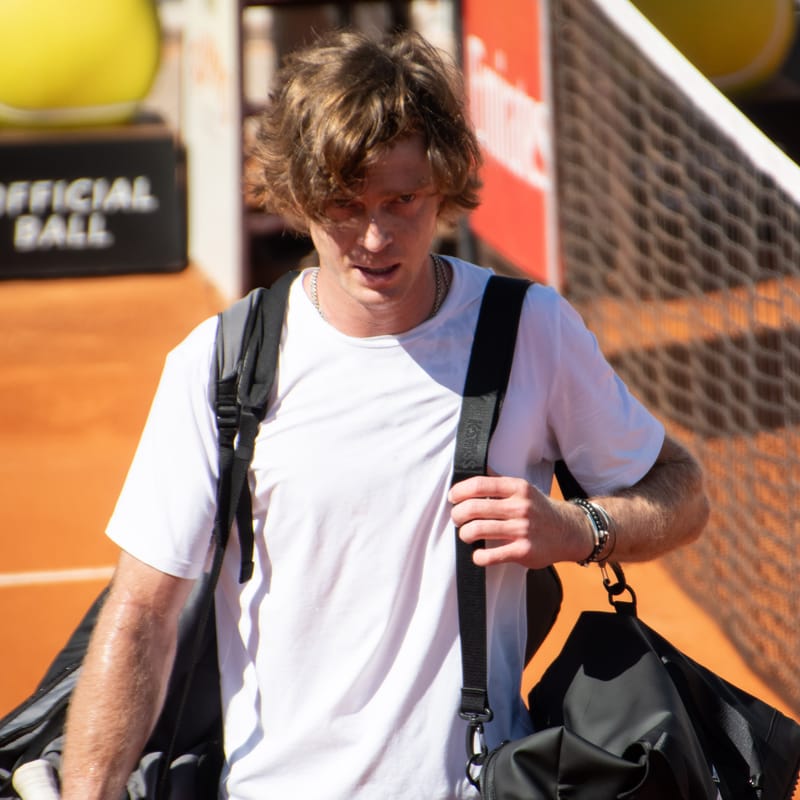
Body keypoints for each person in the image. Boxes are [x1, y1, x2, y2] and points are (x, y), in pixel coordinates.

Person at [60, 28, 710, 800]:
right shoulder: (219, 362)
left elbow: (682, 491)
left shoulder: (531, 332)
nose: (374, 238)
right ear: (298, 199)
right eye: (343, 205)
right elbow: (139, 614)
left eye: (402, 200)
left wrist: (580, 531)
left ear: (446, 183)